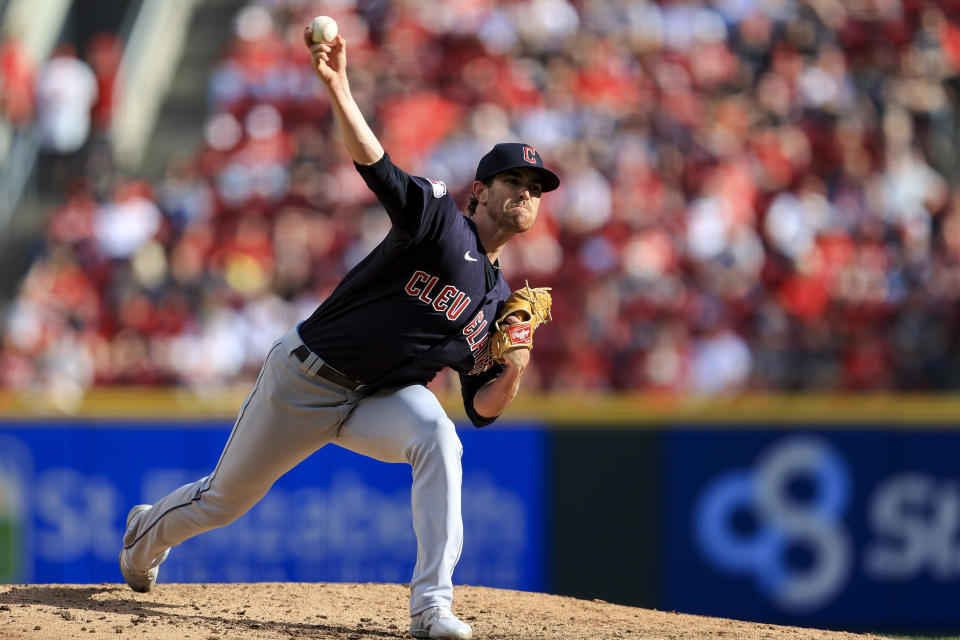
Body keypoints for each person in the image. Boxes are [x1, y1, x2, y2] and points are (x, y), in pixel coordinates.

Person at [118, 25, 560, 640]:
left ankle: (431, 607)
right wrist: (338, 87)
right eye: (516, 182)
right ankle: (144, 536)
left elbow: (480, 410)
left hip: (377, 399)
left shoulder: (494, 297)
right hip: (307, 378)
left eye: (536, 189)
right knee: (224, 501)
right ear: (480, 191)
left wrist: (513, 363)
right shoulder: (437, 219)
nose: (527, 194)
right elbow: (377, 168)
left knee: (440, 437)